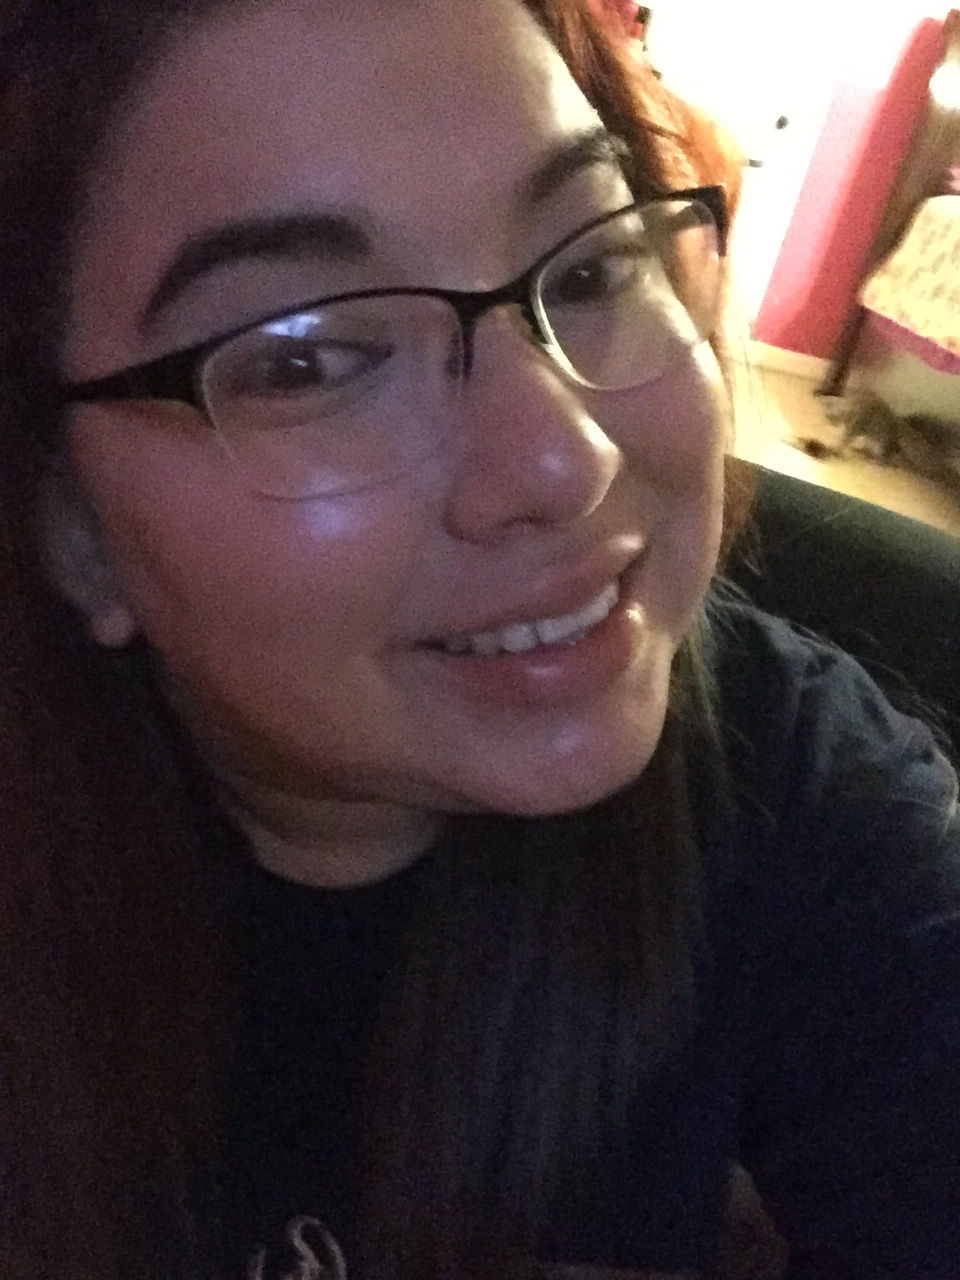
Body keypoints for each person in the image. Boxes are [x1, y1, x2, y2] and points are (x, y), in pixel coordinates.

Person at [0, 1, 957, 1278]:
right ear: (66, 526)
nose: (565, 458)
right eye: (305, 359)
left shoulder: (808, 810)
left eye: (591, 267)